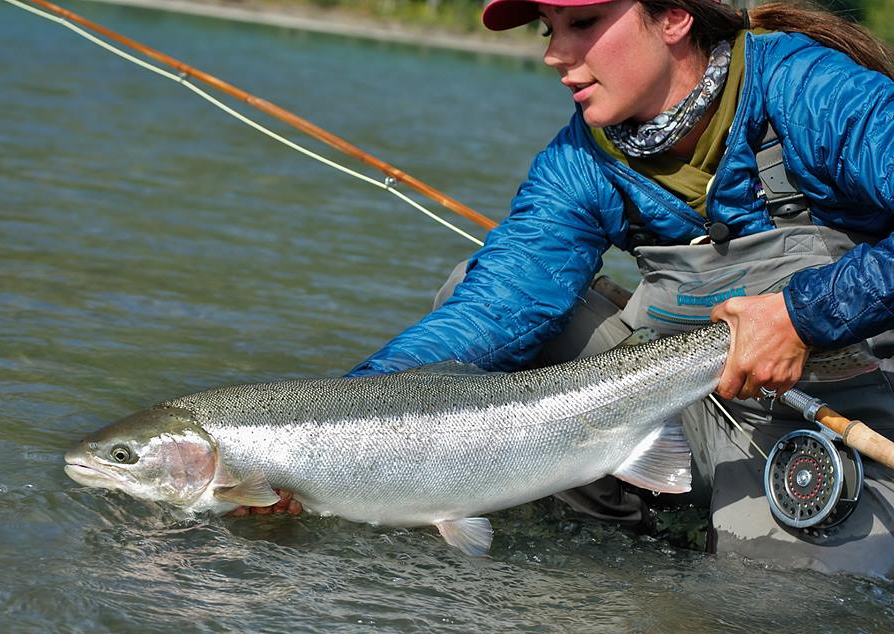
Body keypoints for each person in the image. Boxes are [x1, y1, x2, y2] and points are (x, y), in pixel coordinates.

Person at [339, 0, 894, 576]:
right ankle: (633, 520)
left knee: (768, 600)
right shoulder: (583, 155)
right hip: (665, 404)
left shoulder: (815, 92)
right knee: (471, 300)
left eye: (582, 24)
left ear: (675, 18)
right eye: (547, 30)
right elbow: (492, 309)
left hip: (838, 420)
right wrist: (327, 439)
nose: (555, 54)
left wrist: (803, 316)